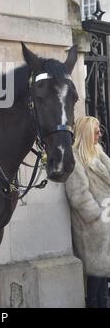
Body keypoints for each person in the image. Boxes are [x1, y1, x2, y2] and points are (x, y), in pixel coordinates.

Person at [65, 116, 110, 308]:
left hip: (105, 226)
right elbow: (78, 195)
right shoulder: (76, 156)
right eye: (96, 130)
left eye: (99, 130)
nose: (100, 134)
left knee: (103, 284)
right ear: (85, 133)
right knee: (95, 286)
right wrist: (98, 217)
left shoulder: (98, 153)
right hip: (92, 229)